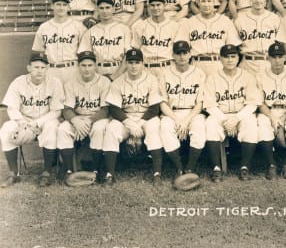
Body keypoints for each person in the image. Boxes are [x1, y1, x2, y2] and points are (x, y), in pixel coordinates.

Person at [0, 53, 64, 188]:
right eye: (36, 67)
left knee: (52, 127)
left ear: (47, 68)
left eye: (42, 67)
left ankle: (47, 173)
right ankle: (13, 173)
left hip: (46, 120)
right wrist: (23, 123)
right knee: (6, 128)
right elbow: (12, 108)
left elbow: (56, 111)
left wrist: (37, 123)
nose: (39, 70)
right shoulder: (18, 82)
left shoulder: (54, 83)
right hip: (23, 120)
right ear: (29, 68)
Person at [103, 49, 163, 185]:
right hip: (125, 117)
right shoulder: (117, 82)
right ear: (126, 64)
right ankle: (109, 174)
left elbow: (154, 108)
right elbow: (114, 108)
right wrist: (129, 123)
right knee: (111, 130)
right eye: (130, 62)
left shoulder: (152, 80)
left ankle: (157, 173)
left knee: (154, 129)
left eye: (137, 62)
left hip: (147, 117)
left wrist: (140, 123)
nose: (134, 66)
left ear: (143, 63)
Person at [203, 44, 261, 182]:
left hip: (241, 114)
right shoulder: (212, 77)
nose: (230, 60)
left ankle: (244, 167)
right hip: (220, 114)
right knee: (210, 124)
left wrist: (236, 119)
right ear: (220, 59)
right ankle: (216, 169)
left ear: (238, 58)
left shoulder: (248, 76)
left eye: (233, 56)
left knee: (251, 124)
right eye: (226, 56)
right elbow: (209, 105)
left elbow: (253, 103)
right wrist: (225, 120)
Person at [57, 51, 110, 181]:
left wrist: (88, 121)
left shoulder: (104, 81)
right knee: (63, 129)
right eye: (83, 65)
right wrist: (75, 120)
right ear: (78, 66)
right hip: (77, 118)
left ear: (95, 66)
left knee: (98, 129)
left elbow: (105, 110)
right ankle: (69, 171)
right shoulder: (70, 83)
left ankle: (95, 170)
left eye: (90, 65)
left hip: (97, 118)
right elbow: (67, 109)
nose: (87, 69)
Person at [158, 41, 207, 179]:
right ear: (173, 55)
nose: (182, 56)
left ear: (190, 54)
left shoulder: (199, 73)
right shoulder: (164, 73)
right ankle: (179, 167)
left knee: (199, 127)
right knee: (165, 127)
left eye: (185, 53)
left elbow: (200, 103)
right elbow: (163, 103)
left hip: (193, 112)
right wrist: (177, 119)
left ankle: (190, 167)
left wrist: (186, 121)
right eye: (178, 53)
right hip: (171, 112)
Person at [175, 0, 241, 76]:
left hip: (219, 63)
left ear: (214, 2)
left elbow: (233, 47)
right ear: (198, 3)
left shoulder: (225, 21)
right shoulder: (189, 22)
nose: (206, 4)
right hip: (197, 63)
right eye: (203, 1)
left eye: (209, 1)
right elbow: (182, 47)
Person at [257, 43, 286, 179]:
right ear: (267, 58)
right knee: (263, 125)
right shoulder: (260, 75)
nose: (277, 60)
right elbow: (260, 103)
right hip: (268, 111)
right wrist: (273, 119)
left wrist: (282, 119)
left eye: (280, 56)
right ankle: (272, 165)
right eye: (273, 57)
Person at [32, 0, 86, 83]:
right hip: (51, 70)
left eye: (64, 5)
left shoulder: (79, 26)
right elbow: (38, 52)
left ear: (69, 7)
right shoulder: (44, 27)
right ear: (52, 6)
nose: (61, 8)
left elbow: (84, 52)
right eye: (58, 4)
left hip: (72, 69)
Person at [78, 0, 131, 80]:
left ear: (113, 9)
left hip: (119, 70)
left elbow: (128, 56)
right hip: (97, 71)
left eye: (107, 7)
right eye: (101, 8)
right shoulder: (91, 31)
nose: (105, 11)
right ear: (97, 10)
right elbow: (85, 57)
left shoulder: (124, 29)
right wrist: (95, 76)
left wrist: (116, 75)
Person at [234, 0, 281, 74]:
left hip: (268, 62)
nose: (258, 0)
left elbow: (281, 44)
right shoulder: (240, 19)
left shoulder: (275, 18)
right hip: (247, 63)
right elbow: (235, 45)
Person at [131, 0, 179, 79]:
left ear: (164, 5)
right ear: (148, 7)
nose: (155, 8)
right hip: (146, 68)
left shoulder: (175, 26)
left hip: (167, 66)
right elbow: (136, 49)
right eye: (152, 5)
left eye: (158, 5)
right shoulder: (140, 26)